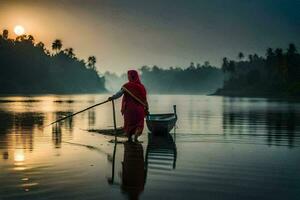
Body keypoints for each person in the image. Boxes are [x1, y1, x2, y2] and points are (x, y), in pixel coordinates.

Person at [108, 70, 149, 142]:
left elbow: (119, 94)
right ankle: (136, 137)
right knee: (139, 125)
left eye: (128, 76)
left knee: (129, 126)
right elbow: (145, 100)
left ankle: (129, 138)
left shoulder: (127, 86)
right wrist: (147, 109)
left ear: (130, 77)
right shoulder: (142, 87)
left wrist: (112, 97)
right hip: (140, 111)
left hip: (129, 111)